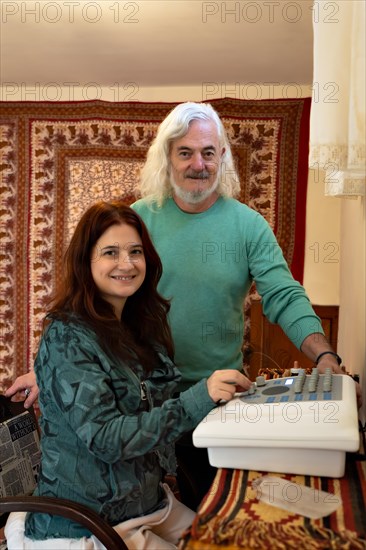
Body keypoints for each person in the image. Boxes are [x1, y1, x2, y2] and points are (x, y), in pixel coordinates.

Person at [6, 102, 362, 510]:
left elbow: (283, 294)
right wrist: (53, 373)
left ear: (222, 157)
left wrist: (325, 356)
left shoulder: (248, 226)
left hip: (216, 399)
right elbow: (93, 307)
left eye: (208, 152)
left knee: (218, 510)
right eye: (186, 152)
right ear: (167, 157)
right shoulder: (137, 221)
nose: (198, 164)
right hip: (141, 402)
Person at [4, 200, 251, 550]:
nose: (127, 263)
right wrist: (200, 397)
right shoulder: (65, 335)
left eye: (136, 251)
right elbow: (105, 438)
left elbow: (164, 406)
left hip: (148, 503)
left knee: (236, 540)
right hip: (88, 522)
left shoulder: (140, 327)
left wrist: (246, 407)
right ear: (85, 261)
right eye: (110, 252)